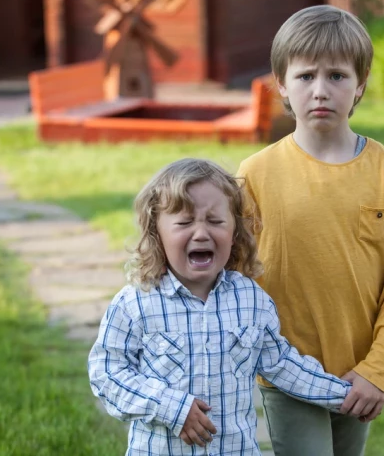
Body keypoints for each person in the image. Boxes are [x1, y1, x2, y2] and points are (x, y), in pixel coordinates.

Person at [237, 5, 384, 456]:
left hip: (359, 375)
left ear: (360, 84)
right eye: (305, 77)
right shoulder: (255, 174)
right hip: (286, 371)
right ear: (281, 82)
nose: (321, 90)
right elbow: (234, 278)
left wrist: (377, 369)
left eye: (337, 76)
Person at [88, 158, 352, 456]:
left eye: (215, 221)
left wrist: (346, 395)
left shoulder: (251, 300)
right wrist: (170, 407)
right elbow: (107, 374)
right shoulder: (135, 303)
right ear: (157, 233)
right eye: (185, 222)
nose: (201, 233)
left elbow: (282, 364)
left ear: (235, 232)